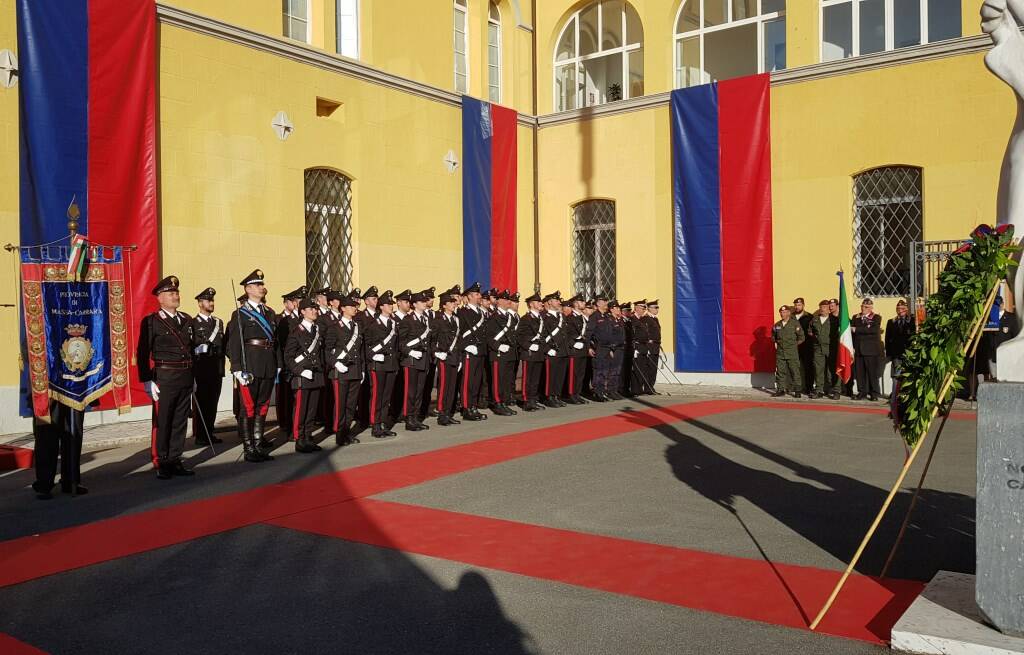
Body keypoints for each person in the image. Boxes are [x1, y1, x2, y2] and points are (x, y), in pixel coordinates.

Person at [137, 275, 196, 479]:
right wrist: (147, 380)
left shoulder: (187, 320)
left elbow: (192, 350)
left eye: (177, 292)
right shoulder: (152, 322)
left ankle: (175, 458)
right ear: (160, 297)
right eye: (171, 293)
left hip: (185, 376)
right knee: (164, 421)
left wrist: (193, 377)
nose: (175, 296)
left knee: (180, 421)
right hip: (165, 377)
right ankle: (162, 460)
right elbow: (142, 352)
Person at [225, 269, 281, 462]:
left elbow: (277, 342)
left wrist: (279, 364)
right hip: (250, 364)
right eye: (258, 285)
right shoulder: (240, 314)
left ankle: (258, 444)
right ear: (248, 289)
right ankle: (249, 448)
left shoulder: (270, 312)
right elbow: (233, 343)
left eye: (262, 284)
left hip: (268, 364)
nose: (262, 288)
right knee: (248, 408)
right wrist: (237, 368)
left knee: (262, 406)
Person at [285, 298, 325, 453]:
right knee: (301, 409)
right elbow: (288, 357)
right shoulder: (296, 332)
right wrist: (300, 371)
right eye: (310, 309)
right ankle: (299, 439)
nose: (314, 311)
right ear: (302, 311)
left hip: (315, 375)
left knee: (311, 410)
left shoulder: (316, 330)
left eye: (315, 308)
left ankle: (308, 436)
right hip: (302, 376)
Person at [324, 291, 363, 446]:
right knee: (340, 404)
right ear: (343, 308)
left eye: (355, 306)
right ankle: (340, 434)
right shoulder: (335, 327)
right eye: (352, 306)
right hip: (340, 371)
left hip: (355, 369)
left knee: (351, 405)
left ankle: (347, 431)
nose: (355, 308)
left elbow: (361, 350)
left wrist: (363, 370)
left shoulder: (357, 326)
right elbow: (327, 350)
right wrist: (336, 363)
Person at [190, 287, 225, 446]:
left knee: (213, 402)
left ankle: (209, 432)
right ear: (200, 303)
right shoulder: (192, 323)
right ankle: (200, 435)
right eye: (208, 300)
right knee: (202, 403)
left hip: (216, 368)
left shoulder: (218, 322)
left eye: (212, 300)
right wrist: (198, 349)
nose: (211, 303)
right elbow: (189, 347)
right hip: (201, 369)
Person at [364, 290, 399, 439]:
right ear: (382, 306)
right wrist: (373, 355)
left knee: (386, 396)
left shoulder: (393, 323)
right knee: (377, 396)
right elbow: (366, 345)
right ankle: (375, 424)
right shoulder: (373, 324)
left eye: (391, 304)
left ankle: (383, 423)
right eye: (388, 304)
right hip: (378, 365)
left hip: (390, 364)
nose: (391, 306)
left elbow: (396, 346)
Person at [398, 291, 432, 432]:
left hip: (423, 359)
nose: (425, 303)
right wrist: (410, 351)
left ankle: (415, 417)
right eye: (422, 301)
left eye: (425, 301)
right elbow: (400, 342)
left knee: (419, 391)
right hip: (411, 360)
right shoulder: (407, 320)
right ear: (415, 304)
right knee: (410, 391)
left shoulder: (426, 319)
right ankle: (409, 418)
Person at [274, 286, 305, 441]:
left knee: (297, 399)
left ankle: (297, 427)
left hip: (300, 365)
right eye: (299, 300)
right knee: (286, 398)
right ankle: (286, 425)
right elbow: (281, 344)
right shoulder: (284, 320)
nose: (301, 303)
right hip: (288, 365)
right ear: (292, 303)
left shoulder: (302, 320)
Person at [457, 282, 489, 421]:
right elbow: (457, 333)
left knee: (477, 381)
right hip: (469, 351)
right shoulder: (463, 312)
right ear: (469, 296)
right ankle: (466, 407)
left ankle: (473, 406)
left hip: (480, 350)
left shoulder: (481, 312)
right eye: (476, 294)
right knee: (468, 381)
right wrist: (465, 346)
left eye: (479, 294)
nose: (479, 296)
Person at [485, 290, 518, 416]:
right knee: (498, 380)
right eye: (504, 299)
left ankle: (504, 402)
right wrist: (498, 346)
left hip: (509, 352)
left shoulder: (510, 317)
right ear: (498, 301)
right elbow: (489, 337)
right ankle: (497, 403)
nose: (508, 301)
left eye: (508, 299)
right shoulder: (494, 317)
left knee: (507, 379)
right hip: (498, 353)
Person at [432, 291, 462, 425]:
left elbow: (459, 340)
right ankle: (442, 414)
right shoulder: (438, 320)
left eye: (454, 302)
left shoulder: (456, 319)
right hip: (444, 357)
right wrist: (436, 352)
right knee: (444, 386)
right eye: (450, 302)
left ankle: (448, 412)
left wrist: (460, 358)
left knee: (452, 387)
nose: (453, 304)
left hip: (454, 356)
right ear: (444, 305)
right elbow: (432, 339)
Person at [516, 291, 547, 411]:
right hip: (529, 353)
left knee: (535, 379)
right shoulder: (526, 319)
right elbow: (519, 336)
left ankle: (533, 399)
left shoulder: (541, 318)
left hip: (539, 352)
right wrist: (529, 345)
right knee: (527, 378)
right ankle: (526, 401)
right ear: (531, 304)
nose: (541, 304)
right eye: (538, 302)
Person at [591, 300, 626, 401]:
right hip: (611, 348)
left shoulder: (619, 320)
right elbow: (608, 336)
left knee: (616, 371)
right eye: (617, 308)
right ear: (612, 309)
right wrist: (611, 348)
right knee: (604, 371)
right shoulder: (608, 320)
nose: (619, 310)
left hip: (619, 348)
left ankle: (613, 390)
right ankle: (601, 392)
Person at [806, 299, 839, 400]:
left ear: (829, 309)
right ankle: (819, 390)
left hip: (831, 348)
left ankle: (835, 390)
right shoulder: (815, 319)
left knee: (832, 370)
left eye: (824, 307)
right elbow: (809, 330)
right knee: (818, 370)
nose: (822, 309)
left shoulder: (835, 320)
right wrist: (814, 336)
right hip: (818, 348)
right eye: (821, 307)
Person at [851, 298, 883, 401]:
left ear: (871, 308)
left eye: (866, 307)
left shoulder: (876, 317)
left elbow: (874, 330)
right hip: (859, 349)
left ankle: (874, 393)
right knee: (860, 373)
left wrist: (857, 329)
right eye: (862, 306)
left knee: (872, 373)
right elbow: (852, 332)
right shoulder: (856, 317)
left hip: (871, 349)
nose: (863, 308)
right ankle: (862, 392)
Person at [542, 291, 569, 407]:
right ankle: (549, 397)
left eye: (559, 300)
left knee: (560, 375)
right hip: (551, 350)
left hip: (562, 350)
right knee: (550, 375)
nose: (558, 302)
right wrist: (548, 349)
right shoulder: (544, 316)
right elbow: (542, 335)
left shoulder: (561, 316)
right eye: (556, 300)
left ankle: (556, 395)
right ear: (549, 302)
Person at [772, 304, 805, 398]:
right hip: (780, 353)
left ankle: (797, 390)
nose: (782, 314)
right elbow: (773, 336)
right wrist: (775, 342)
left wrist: (794, 345)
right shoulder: (777, 325)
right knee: (780, 372)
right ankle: (781, 389)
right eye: (781, 312)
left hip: (792, 353)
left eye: (785, 312)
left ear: (789, 313)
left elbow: (802, 337)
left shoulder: (795, 324)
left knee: (795, 371)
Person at [986, 292, 1021, 380]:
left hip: (1006, 355)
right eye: (995, 304)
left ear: (1002, 304)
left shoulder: (1011, 318)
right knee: (994, 378)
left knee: (1006, 379)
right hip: (993, 354)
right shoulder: (988, 318)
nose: (998, 306)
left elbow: (1015, 337)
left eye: (999, 304)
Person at [884, 299, 916, 391]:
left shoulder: (912, 321)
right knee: (896, 375)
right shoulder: (891, 321)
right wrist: (889, 353)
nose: (900, 310)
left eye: (902, 308)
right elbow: (887, 338)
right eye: (898, 308)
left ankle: (906, 392)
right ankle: (895, 392)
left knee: (908, 374)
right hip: (896, 354)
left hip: (908, 353)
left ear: (906, 309)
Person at [564, 294, 590, 404]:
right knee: (573, 374)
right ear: (575, 304)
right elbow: (567, 334)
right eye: (581, 301)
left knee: (580, 374)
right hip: (574, 350)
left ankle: (577, 393)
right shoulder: (570, 318)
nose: (584, 303)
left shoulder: (582, 318)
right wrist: (574, 343)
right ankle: (571, 394)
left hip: (582, 349)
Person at [629, 300, 655, 395]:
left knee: (642, 368)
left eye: (644, 308)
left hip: (643, 346)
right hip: (637, 346)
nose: (644, 309)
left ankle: (639, 389)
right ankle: (635, 390)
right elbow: (632, 334)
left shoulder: (642, 319)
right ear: (636, 308)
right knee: (636, 369)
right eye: (642, 308)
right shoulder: (632, 319)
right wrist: (634, 347)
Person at [791, 297, 814, 393]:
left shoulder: (809, 317)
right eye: (795, 305)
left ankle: (809, 388)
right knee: (794, 367)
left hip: (806, 346)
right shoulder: (790, 316)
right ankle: (796, 387)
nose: (797, 307)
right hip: (793, 346)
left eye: (799, 305)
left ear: (803, 305)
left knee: (808, 367)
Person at [643, 299, 661, 392]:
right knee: (649, 367)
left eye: (658, 307)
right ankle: (647, 387)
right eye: (655, 307)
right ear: (649, 308)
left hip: (656, 346)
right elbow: (645, 333)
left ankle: (651, 386)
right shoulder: (646, 318)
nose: (657, 309)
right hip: (650, 346)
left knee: (654, 368)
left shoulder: (655, 318)